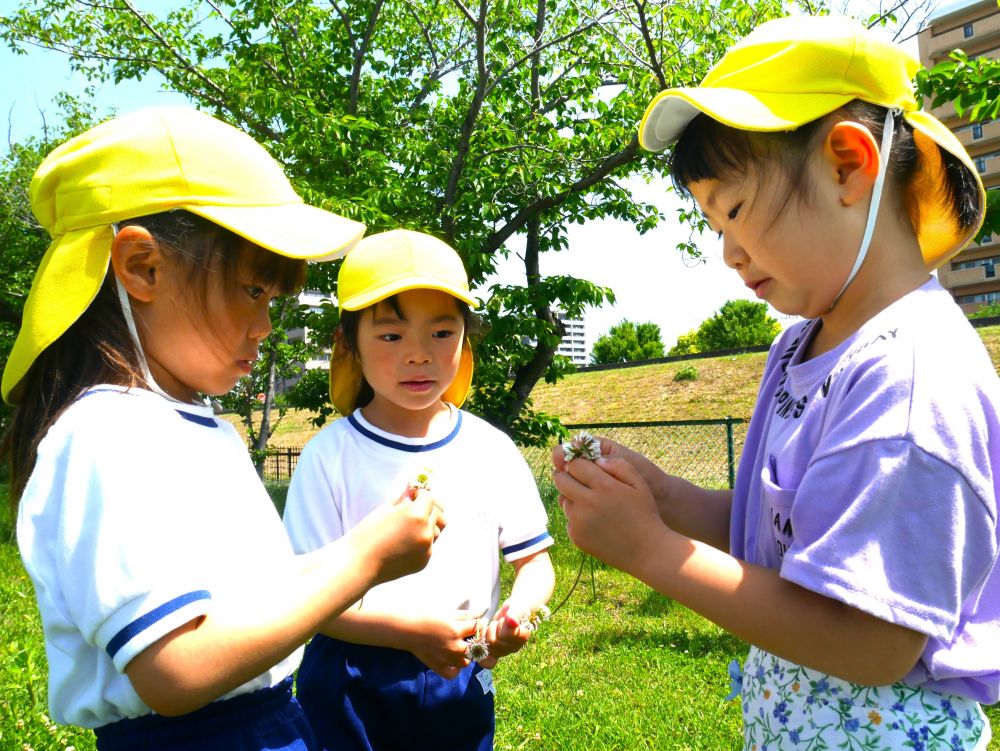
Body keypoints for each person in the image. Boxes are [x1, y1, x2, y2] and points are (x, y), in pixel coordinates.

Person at [553, 15, 998, 750]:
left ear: (848, 166)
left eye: (733, 209)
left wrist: (653, 553)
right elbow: (789, 531)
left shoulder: (909, 377)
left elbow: (872, 641)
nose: (727, 252)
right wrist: (663, 499)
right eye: (711, 224)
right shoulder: (801, 348)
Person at [1, 107, 445, 751]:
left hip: (264, 721)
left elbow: (250, 595)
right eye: (252, 291)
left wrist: (371, 544)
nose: (265, 326)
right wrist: (364, 558)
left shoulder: (189, 426)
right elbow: (176, 669)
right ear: (142, 267)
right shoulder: (109, 434)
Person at [282, 228, 556, 751]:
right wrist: (408, 632)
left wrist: (516, 616)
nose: (419, 355)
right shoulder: (330, 455)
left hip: (460, 669)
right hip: (350, 675)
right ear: (348, 343)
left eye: (441, 333)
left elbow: (535, 562)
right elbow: (310, 596)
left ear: (464, 339)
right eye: (390, 336)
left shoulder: (490, 448)